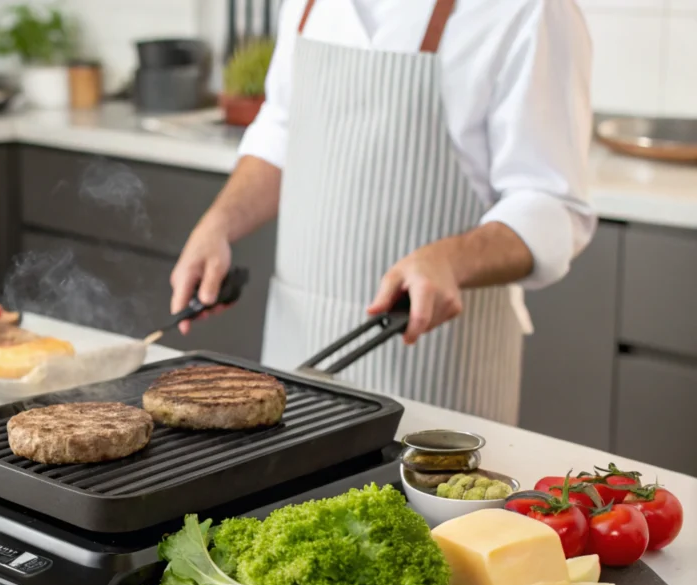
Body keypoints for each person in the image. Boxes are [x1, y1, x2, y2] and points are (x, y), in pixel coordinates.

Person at [170, 0, 595, 425]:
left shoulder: (530, 10)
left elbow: (551, 203)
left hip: (439, 376)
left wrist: (450, 259)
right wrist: (220, 223)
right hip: (296, 351)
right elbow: (282, 130)